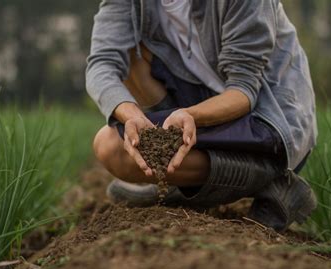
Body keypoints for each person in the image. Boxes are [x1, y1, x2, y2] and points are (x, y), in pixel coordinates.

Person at [87, 0, 318, 232]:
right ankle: (182, 179)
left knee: (111, 147)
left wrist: (190, 115)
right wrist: (132, 114)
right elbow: (102, 63)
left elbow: (243, 89)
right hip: (201, 96)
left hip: (267, 116)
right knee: (129, 59)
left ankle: (273, 178)